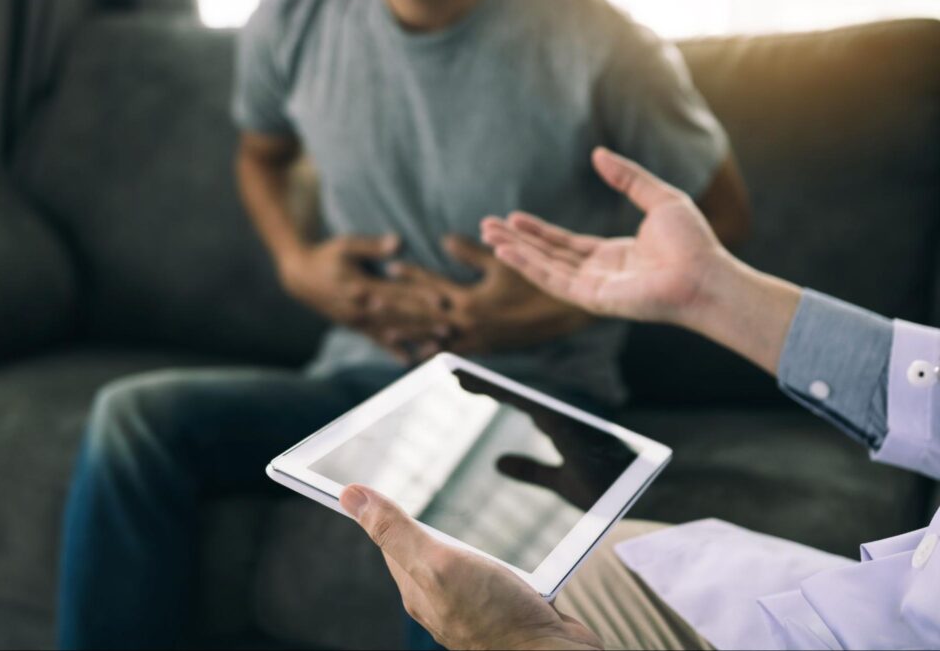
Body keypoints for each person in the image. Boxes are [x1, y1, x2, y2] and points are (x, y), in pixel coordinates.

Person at [56, 0, 750, 647]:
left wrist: (544, 309)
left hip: (532, 392)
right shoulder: (294, 15)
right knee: (132, 418)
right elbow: (260, 154)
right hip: (362, 384)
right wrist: (297, 264)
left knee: (457, 572)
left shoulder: (604, 41)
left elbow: (722, 215)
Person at [339, 147, 939, 650]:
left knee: (493, 593)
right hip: (867, 609)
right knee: (575, 562)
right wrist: (708, 289)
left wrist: (526, 642)